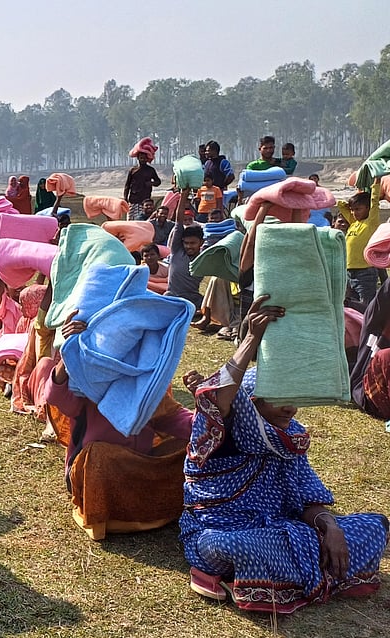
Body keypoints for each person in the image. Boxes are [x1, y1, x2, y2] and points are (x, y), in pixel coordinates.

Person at [180, 297, 389, 613]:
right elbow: (217, 399)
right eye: (278, 398)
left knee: (373, 526)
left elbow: (307, 498)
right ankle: (298, 571)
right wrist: (251, 338)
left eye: (293, 398)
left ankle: (274, 574)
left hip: (282, 529)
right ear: (252, 403)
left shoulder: (287, 441)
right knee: (228, 546)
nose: (290, 408)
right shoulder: (219, 433)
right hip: (225, 534)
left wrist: (329, 528)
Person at [46, 313, 192, 540]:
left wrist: (209, 407)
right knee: (100, 456)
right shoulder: (91, 383)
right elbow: (57, 396)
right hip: (94, 474)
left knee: (193, 445)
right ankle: (105, 515)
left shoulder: (148, 386)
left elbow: (176, 419)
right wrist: (69, 353)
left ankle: (143, 507)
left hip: (138, 468)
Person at [338, 184, 381, 306]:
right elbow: (341, 205)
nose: (354, 212)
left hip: (365, 272)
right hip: (349, 272)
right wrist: (351, 204)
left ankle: (370, 325)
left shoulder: (370, 223)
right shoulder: (353, 223)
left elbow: (375, 202)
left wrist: (376, 184)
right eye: (352, 209)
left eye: (358, 209)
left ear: (368, 208)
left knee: (366, 305)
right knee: (350, 304)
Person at [165, 198, 205, 310]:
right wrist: (183, 195)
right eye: (186, 243)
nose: (188, 246)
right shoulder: (177, 250)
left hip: (193, 299)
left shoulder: (204, 259)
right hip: (172, 296)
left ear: (201, 243)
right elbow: (179, 220)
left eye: (192, 243)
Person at [124, 151, 161, 221]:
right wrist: (125, 198)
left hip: (145, 200)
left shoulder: (150, 170)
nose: (143, 160)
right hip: (133, 199)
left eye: (144, 158)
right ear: (138, 158)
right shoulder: (133, 170)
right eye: (141, 158)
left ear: (147, 159)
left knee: (143, 221)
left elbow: (158, 182)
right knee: (131, 220)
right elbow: (127, 185)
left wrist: (151, 183)